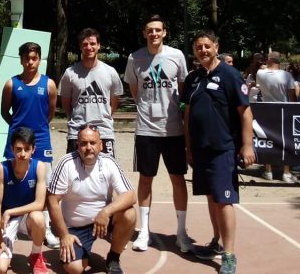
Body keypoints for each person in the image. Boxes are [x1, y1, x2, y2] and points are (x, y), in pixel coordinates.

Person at [182, 30, 256, 274]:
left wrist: (247, 145)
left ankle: (229, 254)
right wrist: (189, 147)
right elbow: (188, 115)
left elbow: (245, 113)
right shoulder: (192, 79)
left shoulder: (231, 75)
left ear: (216, 47)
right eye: (198, 47)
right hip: (200, 150)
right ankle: (215, 242)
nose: (203, 50)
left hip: (223, 149)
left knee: (224, 200)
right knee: (212, 198)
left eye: (207, 46)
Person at [123, 15, 192, 253]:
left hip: (173, 129)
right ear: (144, 33)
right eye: (149, 30)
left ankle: (181, 232)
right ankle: (144, 231)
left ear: (165, 32)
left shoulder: (177, 56)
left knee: (177, 178)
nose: (154, 34)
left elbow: (183, 91)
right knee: (145, 178)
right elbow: (134, 91)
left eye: (158, 30)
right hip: (146, 129)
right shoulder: (135, 58)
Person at [47, 124, 136, 274]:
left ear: (100, 145)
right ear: (77, 145)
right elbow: (52, 200)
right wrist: (63, 235)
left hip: (104, 221)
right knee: (73, 269)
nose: (88, 147)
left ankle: (113, 258)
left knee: (130, 214)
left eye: (93, 143)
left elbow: (131, 195)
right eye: (83, 143)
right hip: (76, 228)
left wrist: (106, 212)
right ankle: (80, 250)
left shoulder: (109, 162)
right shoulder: (66, 163)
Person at [0, 41, 60, 248]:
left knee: (45, 185)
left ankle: (47, 229)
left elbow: (50, 113)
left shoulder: (49, 84)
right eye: (27, 58)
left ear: (39, 59)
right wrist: (19, 133)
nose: (30, 62)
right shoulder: (11, 84)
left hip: (41, 140)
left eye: (34, 58)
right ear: (21, 59)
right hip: (16, 142)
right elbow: (4, 112)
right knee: (12, 181)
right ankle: (10, 226)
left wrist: (36, 132)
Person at [0, 127, 49, 274]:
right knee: (0, 269)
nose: (22, 154)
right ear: (12, 149)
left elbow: (39, 203)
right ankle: (3, 246)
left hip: (26, 217)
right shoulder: (2, 168)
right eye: (18, 149)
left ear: (33, 149)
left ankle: (36, 255)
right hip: (8, 221)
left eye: (26, 149)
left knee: (38, 217)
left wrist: (10, 211)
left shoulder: (39, 167)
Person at [59, 28, 124, 156]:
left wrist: (104, 115)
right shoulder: (70, 73)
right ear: (80, 47)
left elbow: (114, 101)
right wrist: (75, 117)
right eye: (85, 44)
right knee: (75, 173)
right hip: (76, 132)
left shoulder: (110, 72)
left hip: (104, 132)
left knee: (105, 173)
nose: (89, 47)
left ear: (99, 46)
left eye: (93, 43)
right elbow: (66, 103)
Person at [255, 52, 297, 183]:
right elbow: (292, 96)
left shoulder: (260, 74)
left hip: (267, 109)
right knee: (287, 141)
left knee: (267, 141)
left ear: (269, 60)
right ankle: (286, 172)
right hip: (284, 110)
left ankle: (268, 171)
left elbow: (258, 86)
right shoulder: (286, 75)